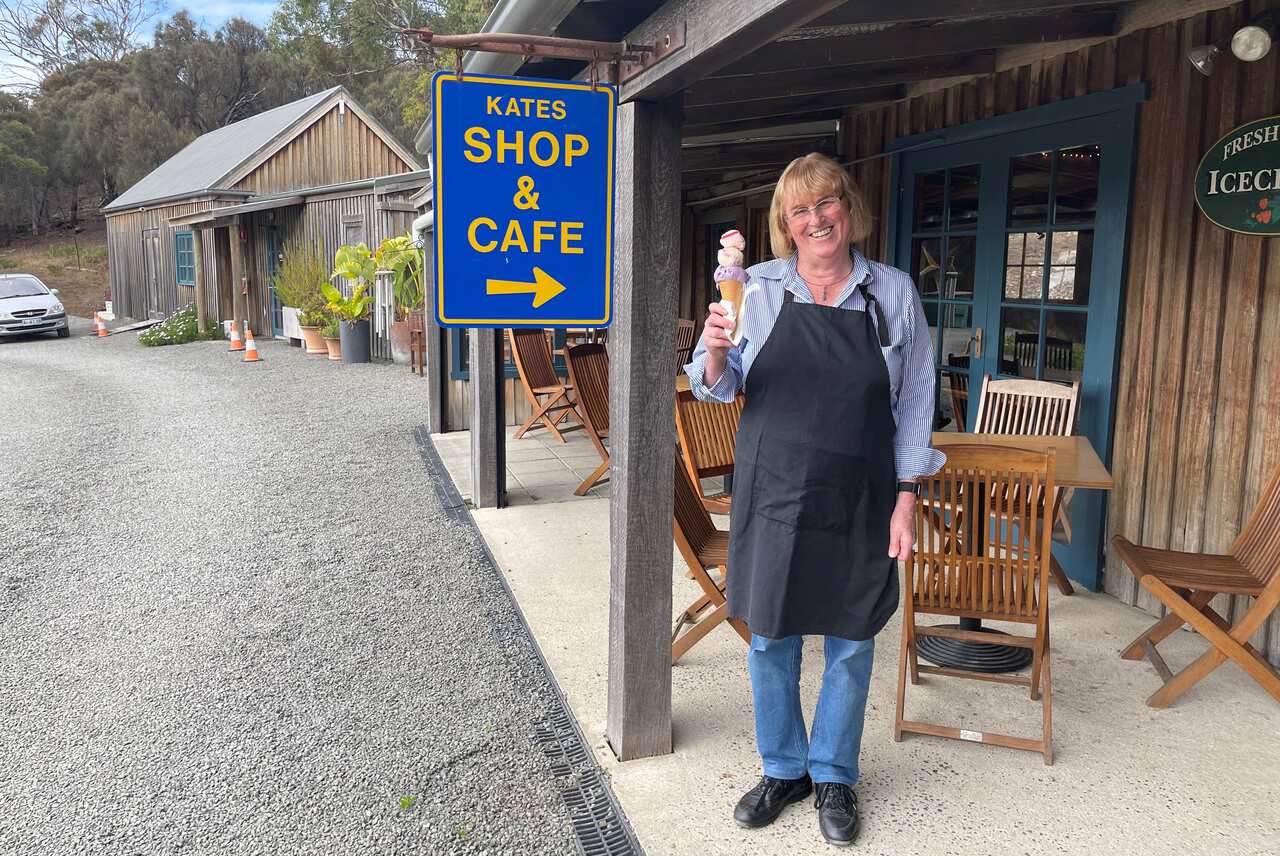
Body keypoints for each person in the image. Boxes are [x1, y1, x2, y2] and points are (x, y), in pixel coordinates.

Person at [684, 153, 944, 846]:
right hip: (775, 487)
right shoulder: (757, 288)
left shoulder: (891, 292)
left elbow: (916, 401)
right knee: (772, 634)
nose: (816, 219)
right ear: (785, 224)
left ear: (848, 207)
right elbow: (718, 385)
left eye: (826, 202)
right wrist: (714, 351)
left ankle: (832, 773)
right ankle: (783, 768)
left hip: (862, 491)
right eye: (799, 210)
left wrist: (907, 496)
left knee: (851, 636)